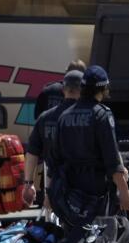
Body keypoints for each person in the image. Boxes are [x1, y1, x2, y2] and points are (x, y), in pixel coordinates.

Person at [49, 65, 129, 228]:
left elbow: (54, 158)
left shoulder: (64, 116)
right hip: (96, 189)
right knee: (97, 239)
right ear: (103, 88)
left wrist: (50, 192)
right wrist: (124, 191)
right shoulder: (102, 114)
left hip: (70, 190)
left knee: (72, 238)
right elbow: (112, 157)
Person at [22, 69, 83, 208]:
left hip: (53, 185)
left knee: (54, 226)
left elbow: (32, 153)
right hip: (83, 185)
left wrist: (28, 184)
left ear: (63, 90)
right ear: (83, 89)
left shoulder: (45, 117)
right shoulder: (90, 116)